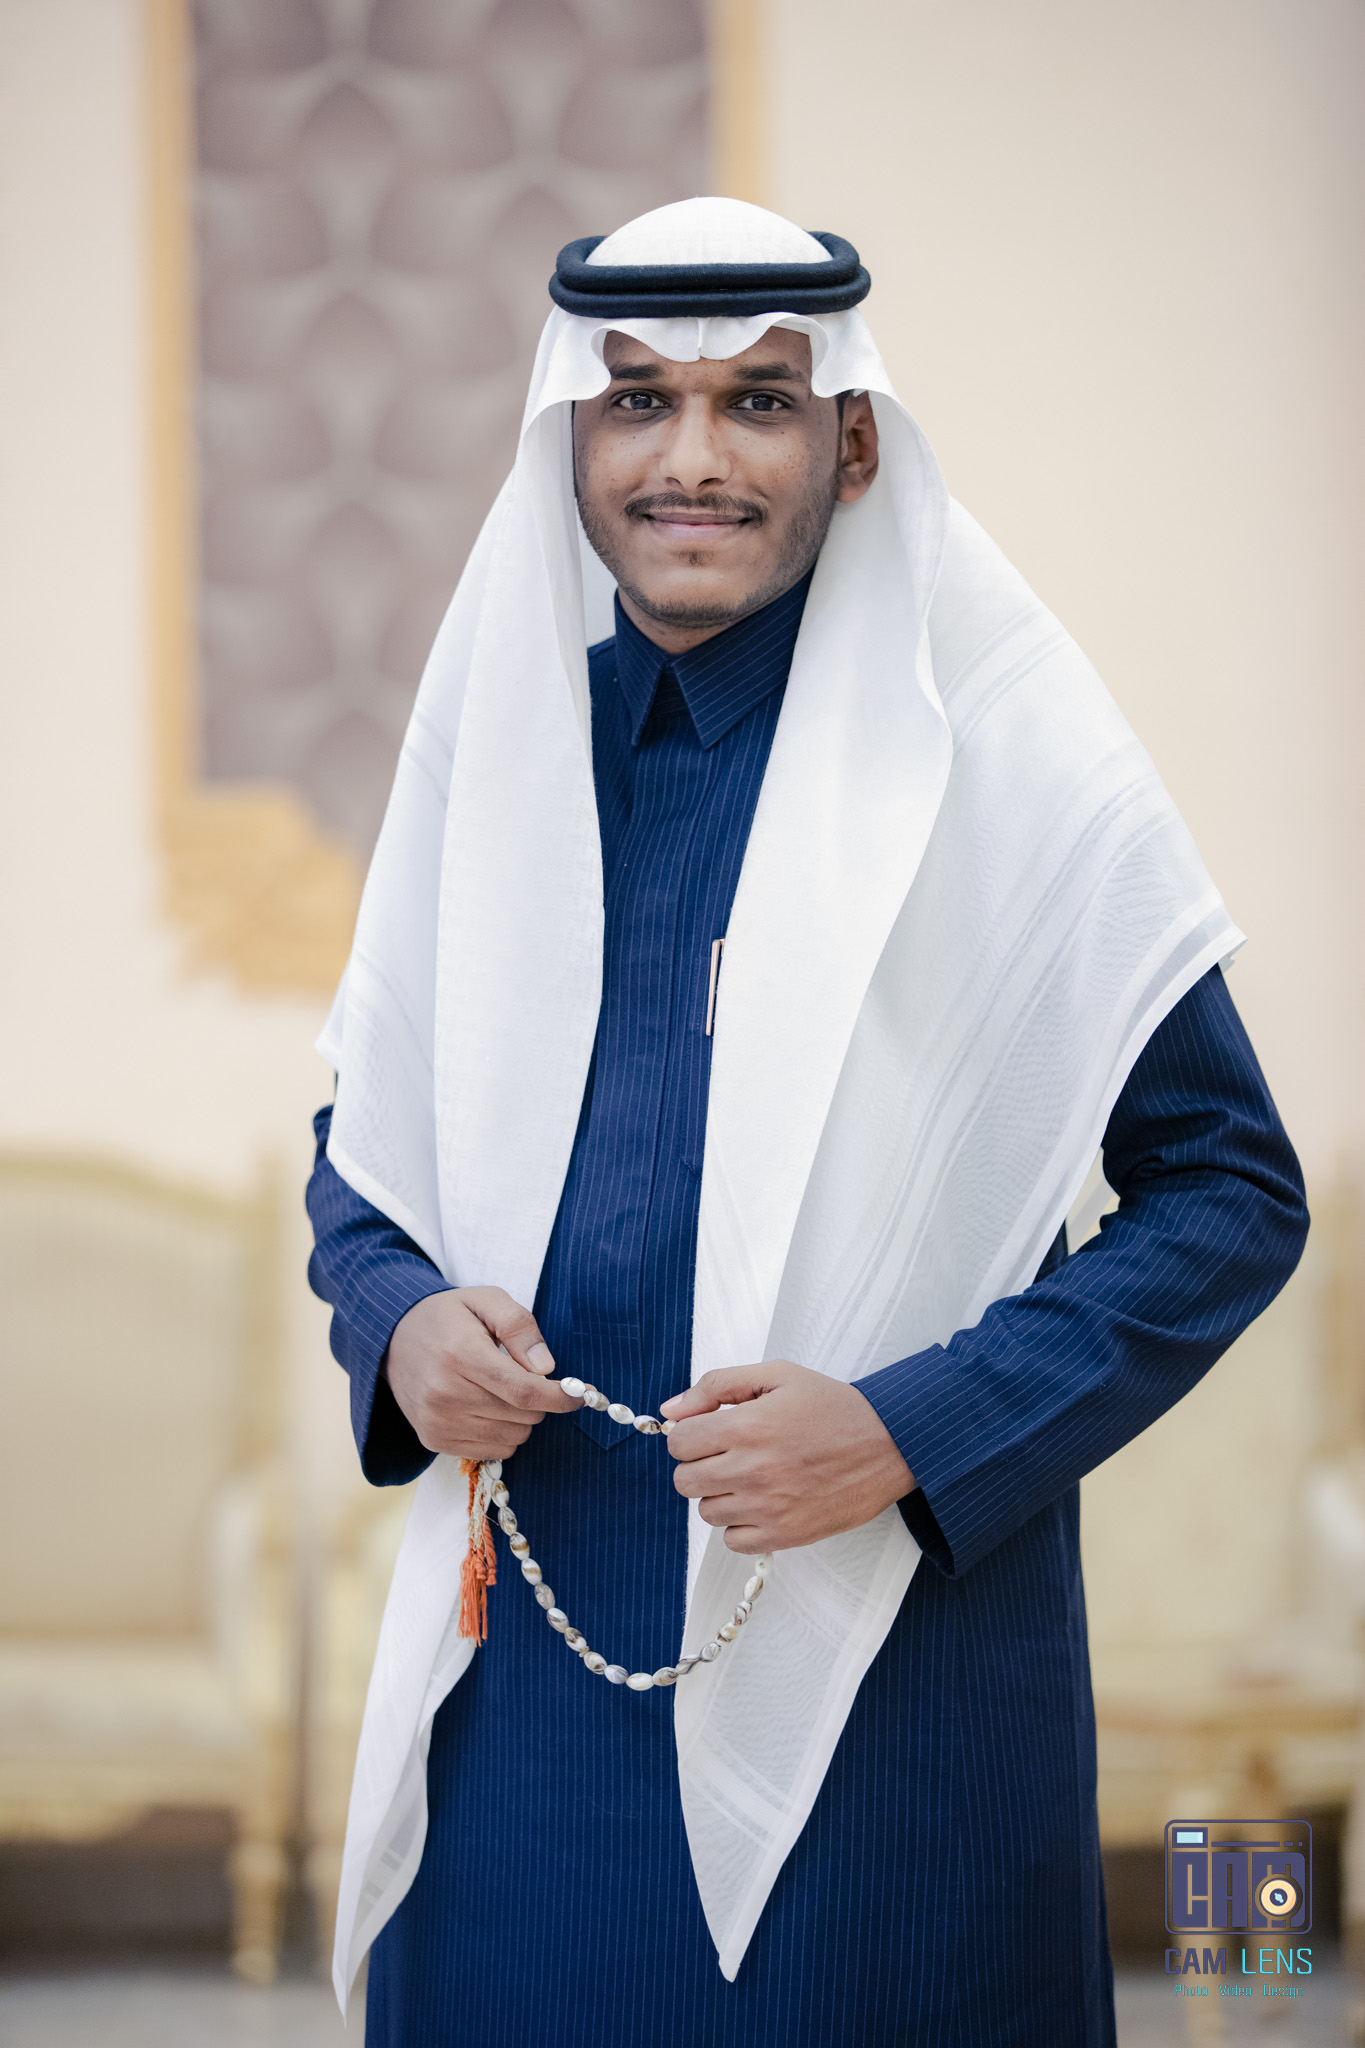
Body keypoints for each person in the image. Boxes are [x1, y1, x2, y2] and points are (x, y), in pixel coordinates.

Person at [307, 198, 1307, 2047]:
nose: (689, 458)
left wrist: (908, 1432)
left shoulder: (1000, 773)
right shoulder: (503, 762)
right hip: (526, 1656)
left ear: (851, 445)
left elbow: (1228, 1190)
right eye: (637, 402)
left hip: (892, 1659)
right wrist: (397, 1322)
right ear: (570, 442)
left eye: (755, 402)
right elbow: (364, 1148)